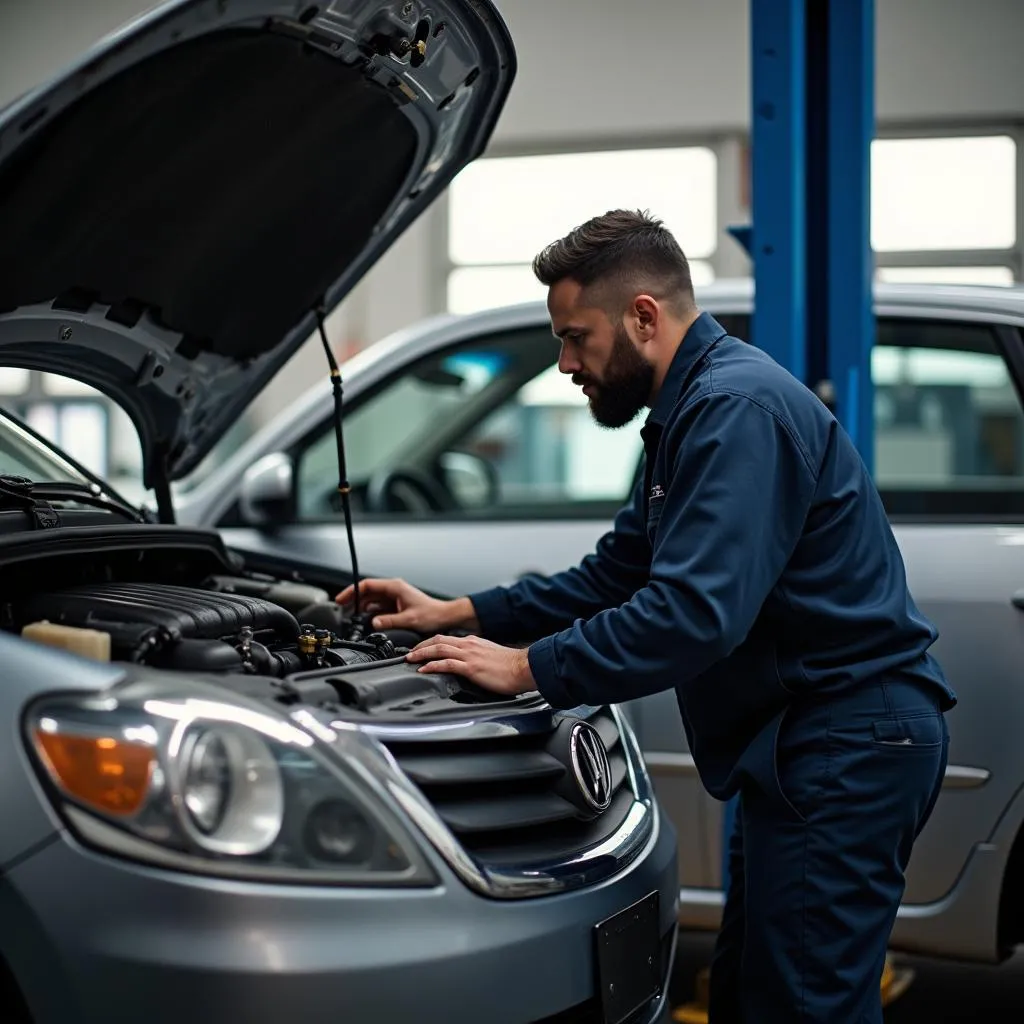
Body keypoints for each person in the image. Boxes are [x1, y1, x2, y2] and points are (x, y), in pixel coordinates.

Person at [335, 209, 956, 1023]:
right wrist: (461, 613)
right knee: (753, 994)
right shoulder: (691, 413)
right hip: (803, 743)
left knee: (805, 1009)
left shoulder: (735, 411)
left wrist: (528, 669)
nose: (564, 364)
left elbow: (693, 615)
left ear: (643, 317)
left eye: (575, 338)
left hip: (842, 745)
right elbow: (618, 573)